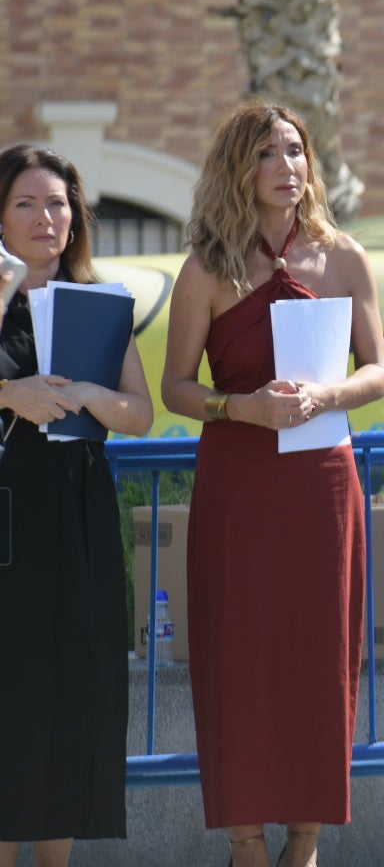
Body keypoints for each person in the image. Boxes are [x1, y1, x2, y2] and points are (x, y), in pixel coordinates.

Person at [160, 100, 384, 867]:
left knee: (321, 654)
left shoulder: (345, 256)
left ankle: (308, 842)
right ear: (239, 168)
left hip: (323, 485)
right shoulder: (206, 267)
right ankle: (247, 844)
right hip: (239, 483)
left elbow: (379, 370)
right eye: (267, 153)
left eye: (295, 150)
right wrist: (240, 408)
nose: (286, 166)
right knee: (240, 654)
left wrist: (328, 396)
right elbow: (176, 388)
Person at [0, 145, 153, 867]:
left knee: (74, 691)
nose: (45, 217)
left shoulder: (98, 302)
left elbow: (140, 415)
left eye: (57, 203)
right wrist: (10, 393)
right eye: (25, 203)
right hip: (9, 521)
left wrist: (91, 395)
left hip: (80, 516)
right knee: (11, 697)